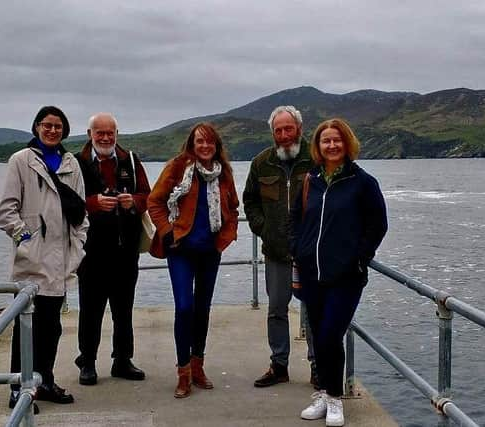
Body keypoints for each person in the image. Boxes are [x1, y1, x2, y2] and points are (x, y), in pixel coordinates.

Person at [290, 118, 387, 426]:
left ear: (347, 143)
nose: (331, 145)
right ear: (318, 146)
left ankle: (334, 399)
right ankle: (322, 394)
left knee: (332, 335)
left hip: (346, 276)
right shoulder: (311, 180)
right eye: (325, 141)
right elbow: (295, 219)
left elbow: (378, 225)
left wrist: (359, 258)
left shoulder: (363, 182)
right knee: (319, 336)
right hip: (311, 272)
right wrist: (298, 249)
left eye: (337, 140)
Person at [0, 105, 88, 410]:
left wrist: (79, 246)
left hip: (62, 260)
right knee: (26, 326)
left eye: (58, 127)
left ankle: (44, 381)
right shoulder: (21, 161)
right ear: (36, 127)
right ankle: (17, 387)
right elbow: (6, 213)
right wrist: (27, 239)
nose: (52, 131)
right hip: (32, 262)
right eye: (47, 125)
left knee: (52, 326)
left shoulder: (71, 163)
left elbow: (80, 213)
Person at [148, 122, 239, 398]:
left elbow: (233, 208)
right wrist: (167, 233)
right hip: (181, 251)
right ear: (192, 144)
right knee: (184, 308)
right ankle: (183, 372)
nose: (205, 146)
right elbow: (155, 201)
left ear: (217, 146)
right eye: (200, 141)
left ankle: (198, 365)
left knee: (202, 309)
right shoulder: (178, 167)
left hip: (210, 251)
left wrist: (226, 236)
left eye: (210, 142)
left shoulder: (223, 173)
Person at [73, 112, 150, 385]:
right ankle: (88, 362)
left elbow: (147, 196)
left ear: (117, 134)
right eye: (99, 133)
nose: (105, 138)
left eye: (110, 133)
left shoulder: (129, 160)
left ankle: (122, 360)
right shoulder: (77, 163)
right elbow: (66, 202)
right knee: (90, 310)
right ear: (89, 134)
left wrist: (133, 202)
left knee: (123, 309)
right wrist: (93, 203)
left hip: (124, 249)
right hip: (90, 251)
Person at [242, 105, 316, 388]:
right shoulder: (262, 162)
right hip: (276, 252)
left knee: (313, 311)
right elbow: (250, 200)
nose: (284, 135)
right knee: (276, 309)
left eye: (289, 129)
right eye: (278, 130)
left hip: (311, 252)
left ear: (299, 128)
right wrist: (263, 228)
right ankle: (279, 365)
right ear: (272, 133)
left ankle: (316, 366)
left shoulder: (316, 158)